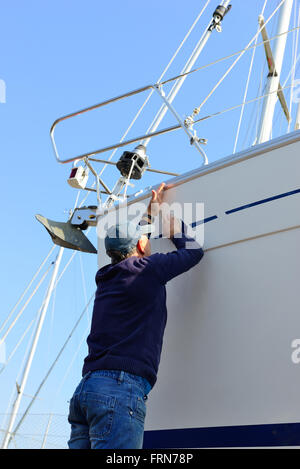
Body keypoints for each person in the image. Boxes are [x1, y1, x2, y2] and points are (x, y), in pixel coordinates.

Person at [67, 183, 204, 449]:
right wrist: (167, 216)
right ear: (142, 244)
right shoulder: (147, 269)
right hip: (119, 391)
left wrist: (148, 216)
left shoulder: (106, 278)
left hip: (87, 390)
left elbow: (133, 245)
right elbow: (194, 252)